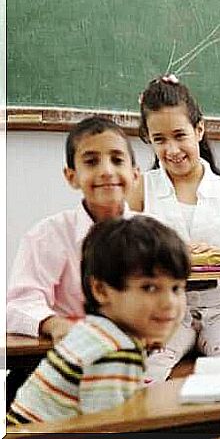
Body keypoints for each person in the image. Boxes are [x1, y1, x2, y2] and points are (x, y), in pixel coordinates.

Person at [130, 75, 220, 382]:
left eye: (180, 135)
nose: (172, 149)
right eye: (159, 140)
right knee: (133, 378)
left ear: (199, 130)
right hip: (164, 312)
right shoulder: (140, 189)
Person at [7, 215, 189, 425]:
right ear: (101, 290)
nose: (169, 303)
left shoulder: (95, 331)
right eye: (149, 288)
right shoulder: (114, 351)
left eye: (176, 288)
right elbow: (107, 428)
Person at [7, 116, 140, 341]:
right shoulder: (48, 235)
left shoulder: (152, 235)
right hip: (63, 354)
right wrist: (55, 325)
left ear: (135, 174)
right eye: (91, 162)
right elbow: (19, 305)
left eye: (117, 160)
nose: (107, 171)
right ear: (72, 177)